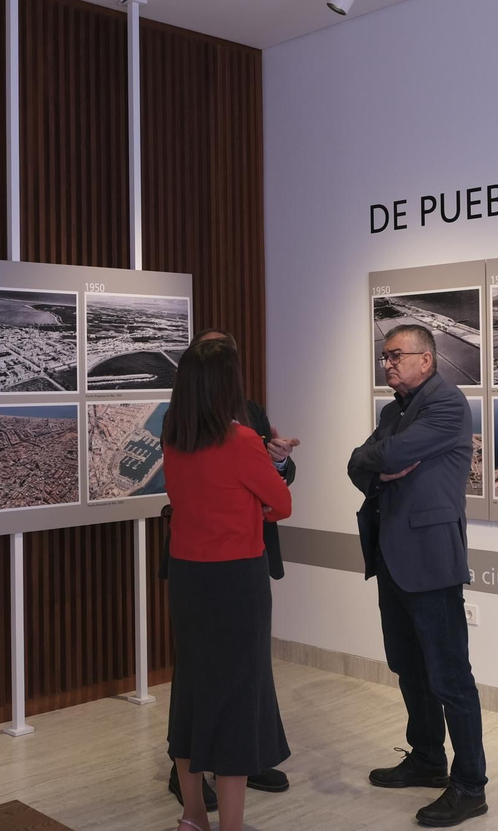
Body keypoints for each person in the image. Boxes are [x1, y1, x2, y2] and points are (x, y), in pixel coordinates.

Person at [347, 324, 489, 827]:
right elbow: (357, 464)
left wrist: (381, 462)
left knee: (450, 676)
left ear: (426, 360)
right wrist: (379, 467)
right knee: (409, 666)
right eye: (384, 356)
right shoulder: (393, 411)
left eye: (395, 355)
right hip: (391, 555)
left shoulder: (447, 405)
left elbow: (385, 455)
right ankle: (428, 758)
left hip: (430, 558)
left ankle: (470, 785)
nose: (387, 364)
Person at [160, 329, 299, 812]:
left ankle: (193, 816)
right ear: (227, 383)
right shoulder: (241, 440)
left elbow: (191, 500)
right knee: (238, 694)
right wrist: (251, 512)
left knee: (193, 689)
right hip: (236, 578)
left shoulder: (174, 435)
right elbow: (280, 504)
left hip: (187, 576)